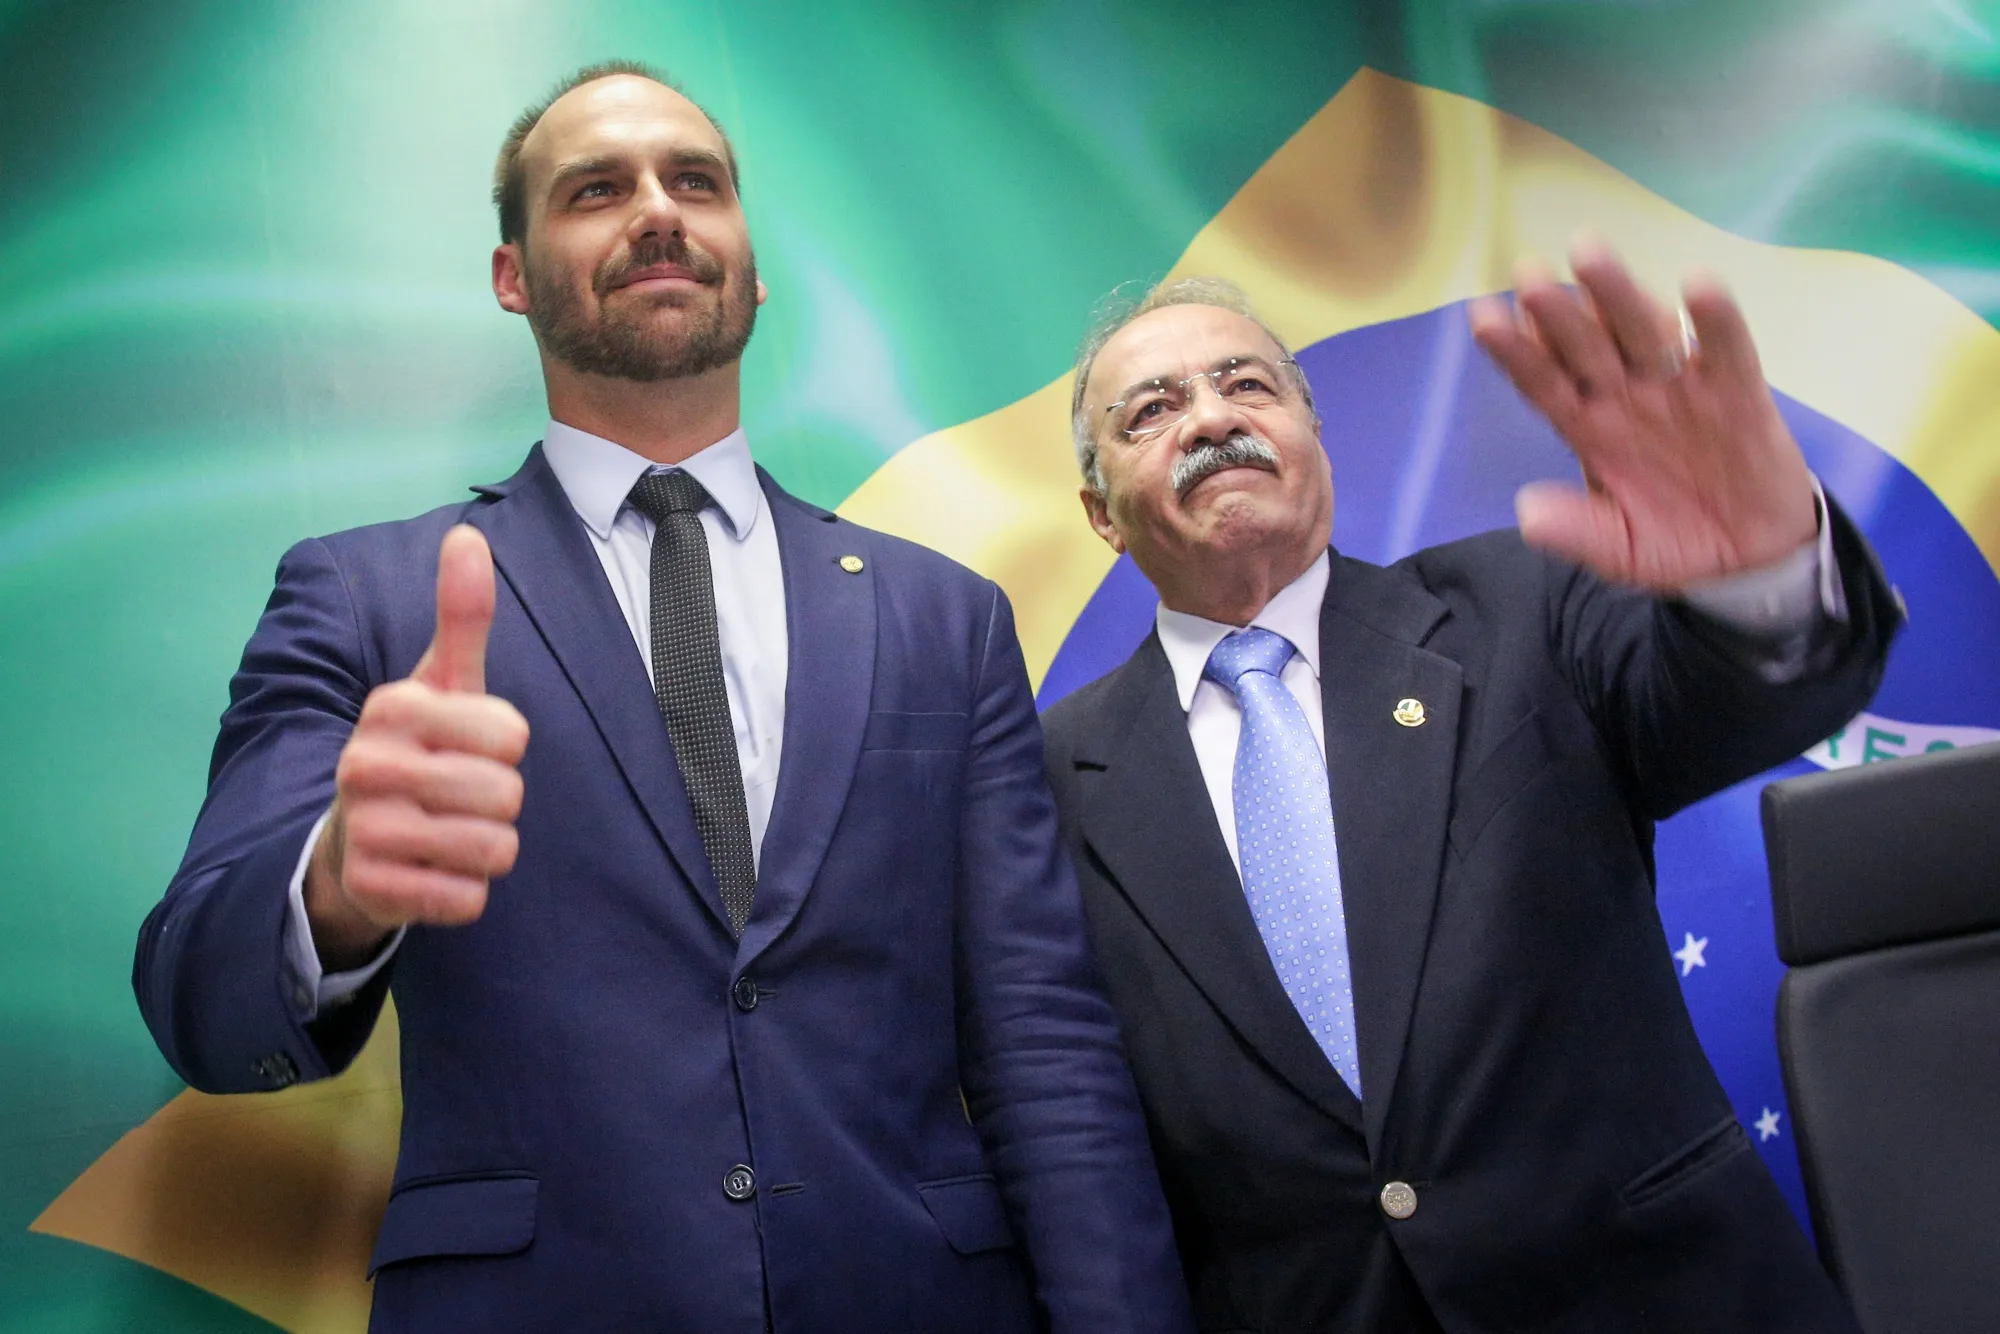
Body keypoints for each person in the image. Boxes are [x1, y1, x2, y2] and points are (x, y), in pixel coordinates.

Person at [133, 62, 1192, 1333]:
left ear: (749, 267)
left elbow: (1041, 1044)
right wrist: (333, 887)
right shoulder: (367, 598)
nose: (656, 210)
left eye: (696, 182)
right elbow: (196, 994)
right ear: (512, 276)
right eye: (594, 189)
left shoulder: (940, 616)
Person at [1040, 250, 1901, 1332]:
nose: (1210, 418)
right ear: (1100, 514)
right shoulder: (1047, 779)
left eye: (1246, 383)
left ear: (1312, 432)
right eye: (1150, 410)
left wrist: (1757, 576)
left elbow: (1734, 698)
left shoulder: (1521, 604)